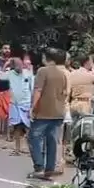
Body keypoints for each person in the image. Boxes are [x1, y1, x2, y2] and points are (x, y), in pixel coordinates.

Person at [28, 48, 68, 180]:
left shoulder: (42, 71)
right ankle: (49, 169)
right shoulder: (62, 74)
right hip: (58, 112)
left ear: (45, 57)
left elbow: (38, 90)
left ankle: (39, 167)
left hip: (44, 111)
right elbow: (64, 93)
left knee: (34, 138)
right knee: (52, 141)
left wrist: (32, 108)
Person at [0, 56, 34, 156]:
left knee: (28, 127)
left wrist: (32, 105)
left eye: (20, 65)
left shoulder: (28, 73)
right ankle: (17, 149)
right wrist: (5, 65)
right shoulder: (10, 73)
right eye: (16, 65)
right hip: (14, 104)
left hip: (26, 104)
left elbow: (32, 88)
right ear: (13, 66)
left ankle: (31, 150)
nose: (19, 67)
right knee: (16, 127)